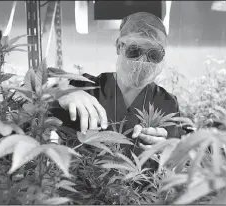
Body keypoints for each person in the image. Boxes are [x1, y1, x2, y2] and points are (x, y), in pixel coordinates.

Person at [54, 12, 183, 155]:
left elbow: (177, 159)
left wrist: (168, 150)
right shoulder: (86, 88)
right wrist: (61, 94)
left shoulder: (167, 103)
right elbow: (30, 110)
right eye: (134, 51)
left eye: (154, 54)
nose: (143, 61)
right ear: (119, 46)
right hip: (83, 176)